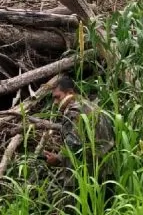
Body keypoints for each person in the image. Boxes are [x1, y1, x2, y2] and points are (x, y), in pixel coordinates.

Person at [43, 74, 115, 210]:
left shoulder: (74, 111)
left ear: (70, 92)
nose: (55, 103)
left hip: (85, 179)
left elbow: (74, 145)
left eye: (57, 97)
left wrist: (57, 159)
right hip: (106, 175)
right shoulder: (93, 107)